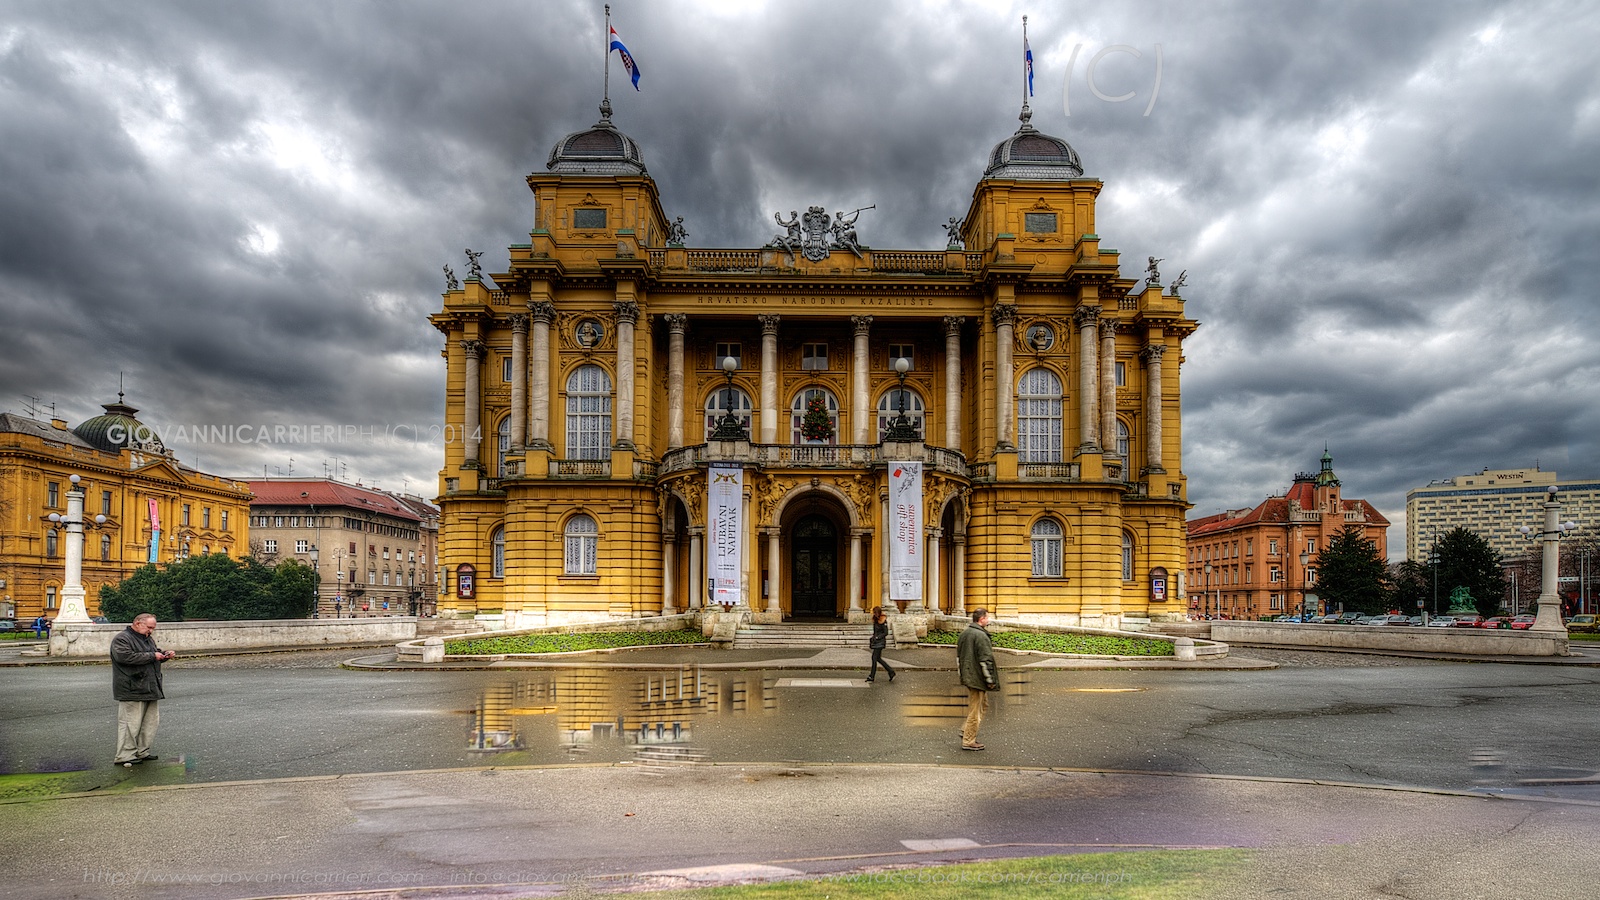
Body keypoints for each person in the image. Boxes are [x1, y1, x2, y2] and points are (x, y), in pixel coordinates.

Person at [110, 613, 175, 768]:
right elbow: (125, 657)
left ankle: (142, 751)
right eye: (149, 627)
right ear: (138, 623)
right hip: (131, 687)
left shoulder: (146, 638)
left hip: (150, 686)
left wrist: (163, 655)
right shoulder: (122, 638)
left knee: (150, 723)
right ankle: (125, 755)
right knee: (130, 724)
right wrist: (153, 655)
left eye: (153, 628)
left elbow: (150, 654)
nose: (151, 631)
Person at [957, 608, 999, 751]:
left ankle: (965, 730)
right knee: (976, 709)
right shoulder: (981, 636)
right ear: (981, 619)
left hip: (969, 675)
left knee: (983, 705)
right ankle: (968, 740)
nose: (989, 620)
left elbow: (959, 658)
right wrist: (990, 680)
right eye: (987, 618)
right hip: (977, 678)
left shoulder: (965, 633)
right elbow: (985, 660)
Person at [865, 607, 896, 683]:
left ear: (879, 612)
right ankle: (891, 671)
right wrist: (873, 638)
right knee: (878, 658)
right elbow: (875, 631)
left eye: (875, 612)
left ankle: (872, 676)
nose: (874, 614)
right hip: (876, 641)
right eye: (874, 613)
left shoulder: (883, 620)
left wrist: (878, 637)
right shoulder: (875, 620)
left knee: (874, 658)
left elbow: (885, 633)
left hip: (880, 642)